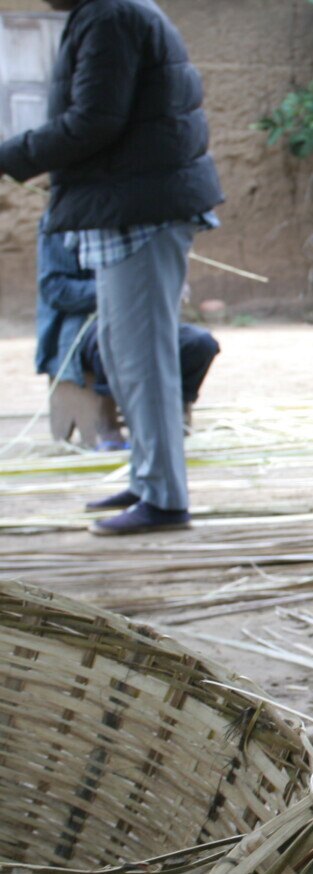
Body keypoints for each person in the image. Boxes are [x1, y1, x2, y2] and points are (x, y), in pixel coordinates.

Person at [0, 0, 223, 535]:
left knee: (144, 360)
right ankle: (149, 480)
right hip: (129, 206)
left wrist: (12, 155)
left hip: (141, 210)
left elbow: (94, 120)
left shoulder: (112, 15)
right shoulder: (108, 13)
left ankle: (166, 500)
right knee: (126, 357)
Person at [36, 222, 220, 456]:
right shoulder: (63, 218)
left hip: (145, 321)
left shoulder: (141, 213)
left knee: (199, 343)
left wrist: (171, 284)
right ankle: (105, 422)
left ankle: (176, 417)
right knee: (114, 338)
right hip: (81, 327)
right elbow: (56, 290)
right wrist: (123, 287)